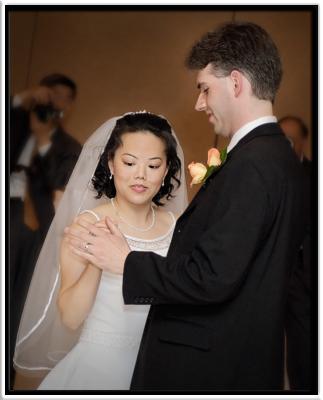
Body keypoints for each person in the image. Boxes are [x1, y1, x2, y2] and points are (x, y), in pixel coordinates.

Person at [66, 22, 306, 391]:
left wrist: (126, 262)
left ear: (236, 83)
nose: (199, 103)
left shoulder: (253, 164)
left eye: (205, 89)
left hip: (211, 370)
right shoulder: (281, 161)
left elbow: (212, 277)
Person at [13, 112, 188, 390]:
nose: (140, 175)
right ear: (111, 163)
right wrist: (99, 259)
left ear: (166, 170)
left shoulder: (178, 227)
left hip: (156, 367)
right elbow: (71, 318)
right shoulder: (87, 224)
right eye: (129, 163)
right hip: (98, 368)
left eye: (153, 165)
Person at [10, 73, 81, 388]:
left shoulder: (68, 147)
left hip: (34, 226)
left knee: (17, 301)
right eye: (51, 94)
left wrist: (42, 141)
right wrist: (21, 100)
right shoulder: (14, 124)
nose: (55, 101)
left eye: (64, 98)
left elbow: (60, 190)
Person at [279, 116, 313, 390]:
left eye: (292, 138)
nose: (287, 144)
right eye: (283, 138)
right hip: (282, 272)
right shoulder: (270, 173)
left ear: (304, 141)